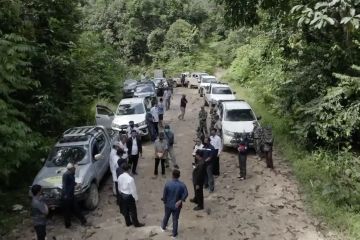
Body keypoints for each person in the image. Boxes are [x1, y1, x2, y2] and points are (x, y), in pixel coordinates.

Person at [161, 169, 188, 239]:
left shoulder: (168, 184)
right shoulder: (182, 185)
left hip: (168, 204)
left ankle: (163, 227)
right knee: (175, 219)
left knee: (166, 216)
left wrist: (164, 201)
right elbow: (186, 193)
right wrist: (181, 200)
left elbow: (164, 195)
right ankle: (174, 234)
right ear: (179, 176)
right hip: (177, 205)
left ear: (172, 175)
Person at [62, 163, 87, 228]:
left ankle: (83, 221)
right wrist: (65, 195)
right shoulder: (66, 175)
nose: (75, 169)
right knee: (67, 212)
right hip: (67, 196)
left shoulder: (71, 174)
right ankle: (68, 225)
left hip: (71, 195)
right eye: (74, 168)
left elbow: (72, 182)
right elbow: (64, 186)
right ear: (71, 169)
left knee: (76, 208)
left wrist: (77, 184)